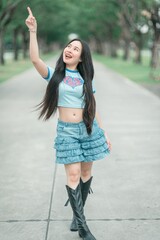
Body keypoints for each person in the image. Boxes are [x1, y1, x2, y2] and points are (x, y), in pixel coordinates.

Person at [25, 6, 111, 240]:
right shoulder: (55, 75)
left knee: (85, 172)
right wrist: (33, 31)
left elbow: (93, 107)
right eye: (69, 46)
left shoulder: (86, 79)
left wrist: (103, 133)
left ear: (82, 57)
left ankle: (77, 214)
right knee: (73, 175)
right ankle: (83, 228)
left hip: (89, 130)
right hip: (67, 132)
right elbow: (35, 59)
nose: (70, 49)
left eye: (76, 48)